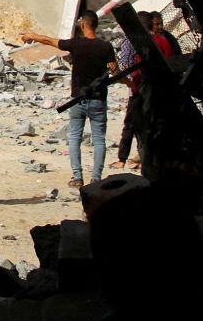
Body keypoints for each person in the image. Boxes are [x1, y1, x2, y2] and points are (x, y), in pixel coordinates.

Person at [22, 11, 118, 188]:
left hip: (78, 100)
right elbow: (115, 70)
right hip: (98, 100)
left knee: (75, 138)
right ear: (96, 25)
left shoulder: (76, 44)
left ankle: (78, 177)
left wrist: (32, 36)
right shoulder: (106, 47)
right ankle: (96, 178)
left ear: (83, 25)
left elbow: (50, 41)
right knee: (99, 140)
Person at [111, 12, 145, 171]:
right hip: (144, 88)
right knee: (141, 125)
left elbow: (124, 67)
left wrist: (130, 83)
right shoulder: (147, 40)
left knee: (131, 124)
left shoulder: (129, 43)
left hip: (137, 90)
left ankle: (123, 159)